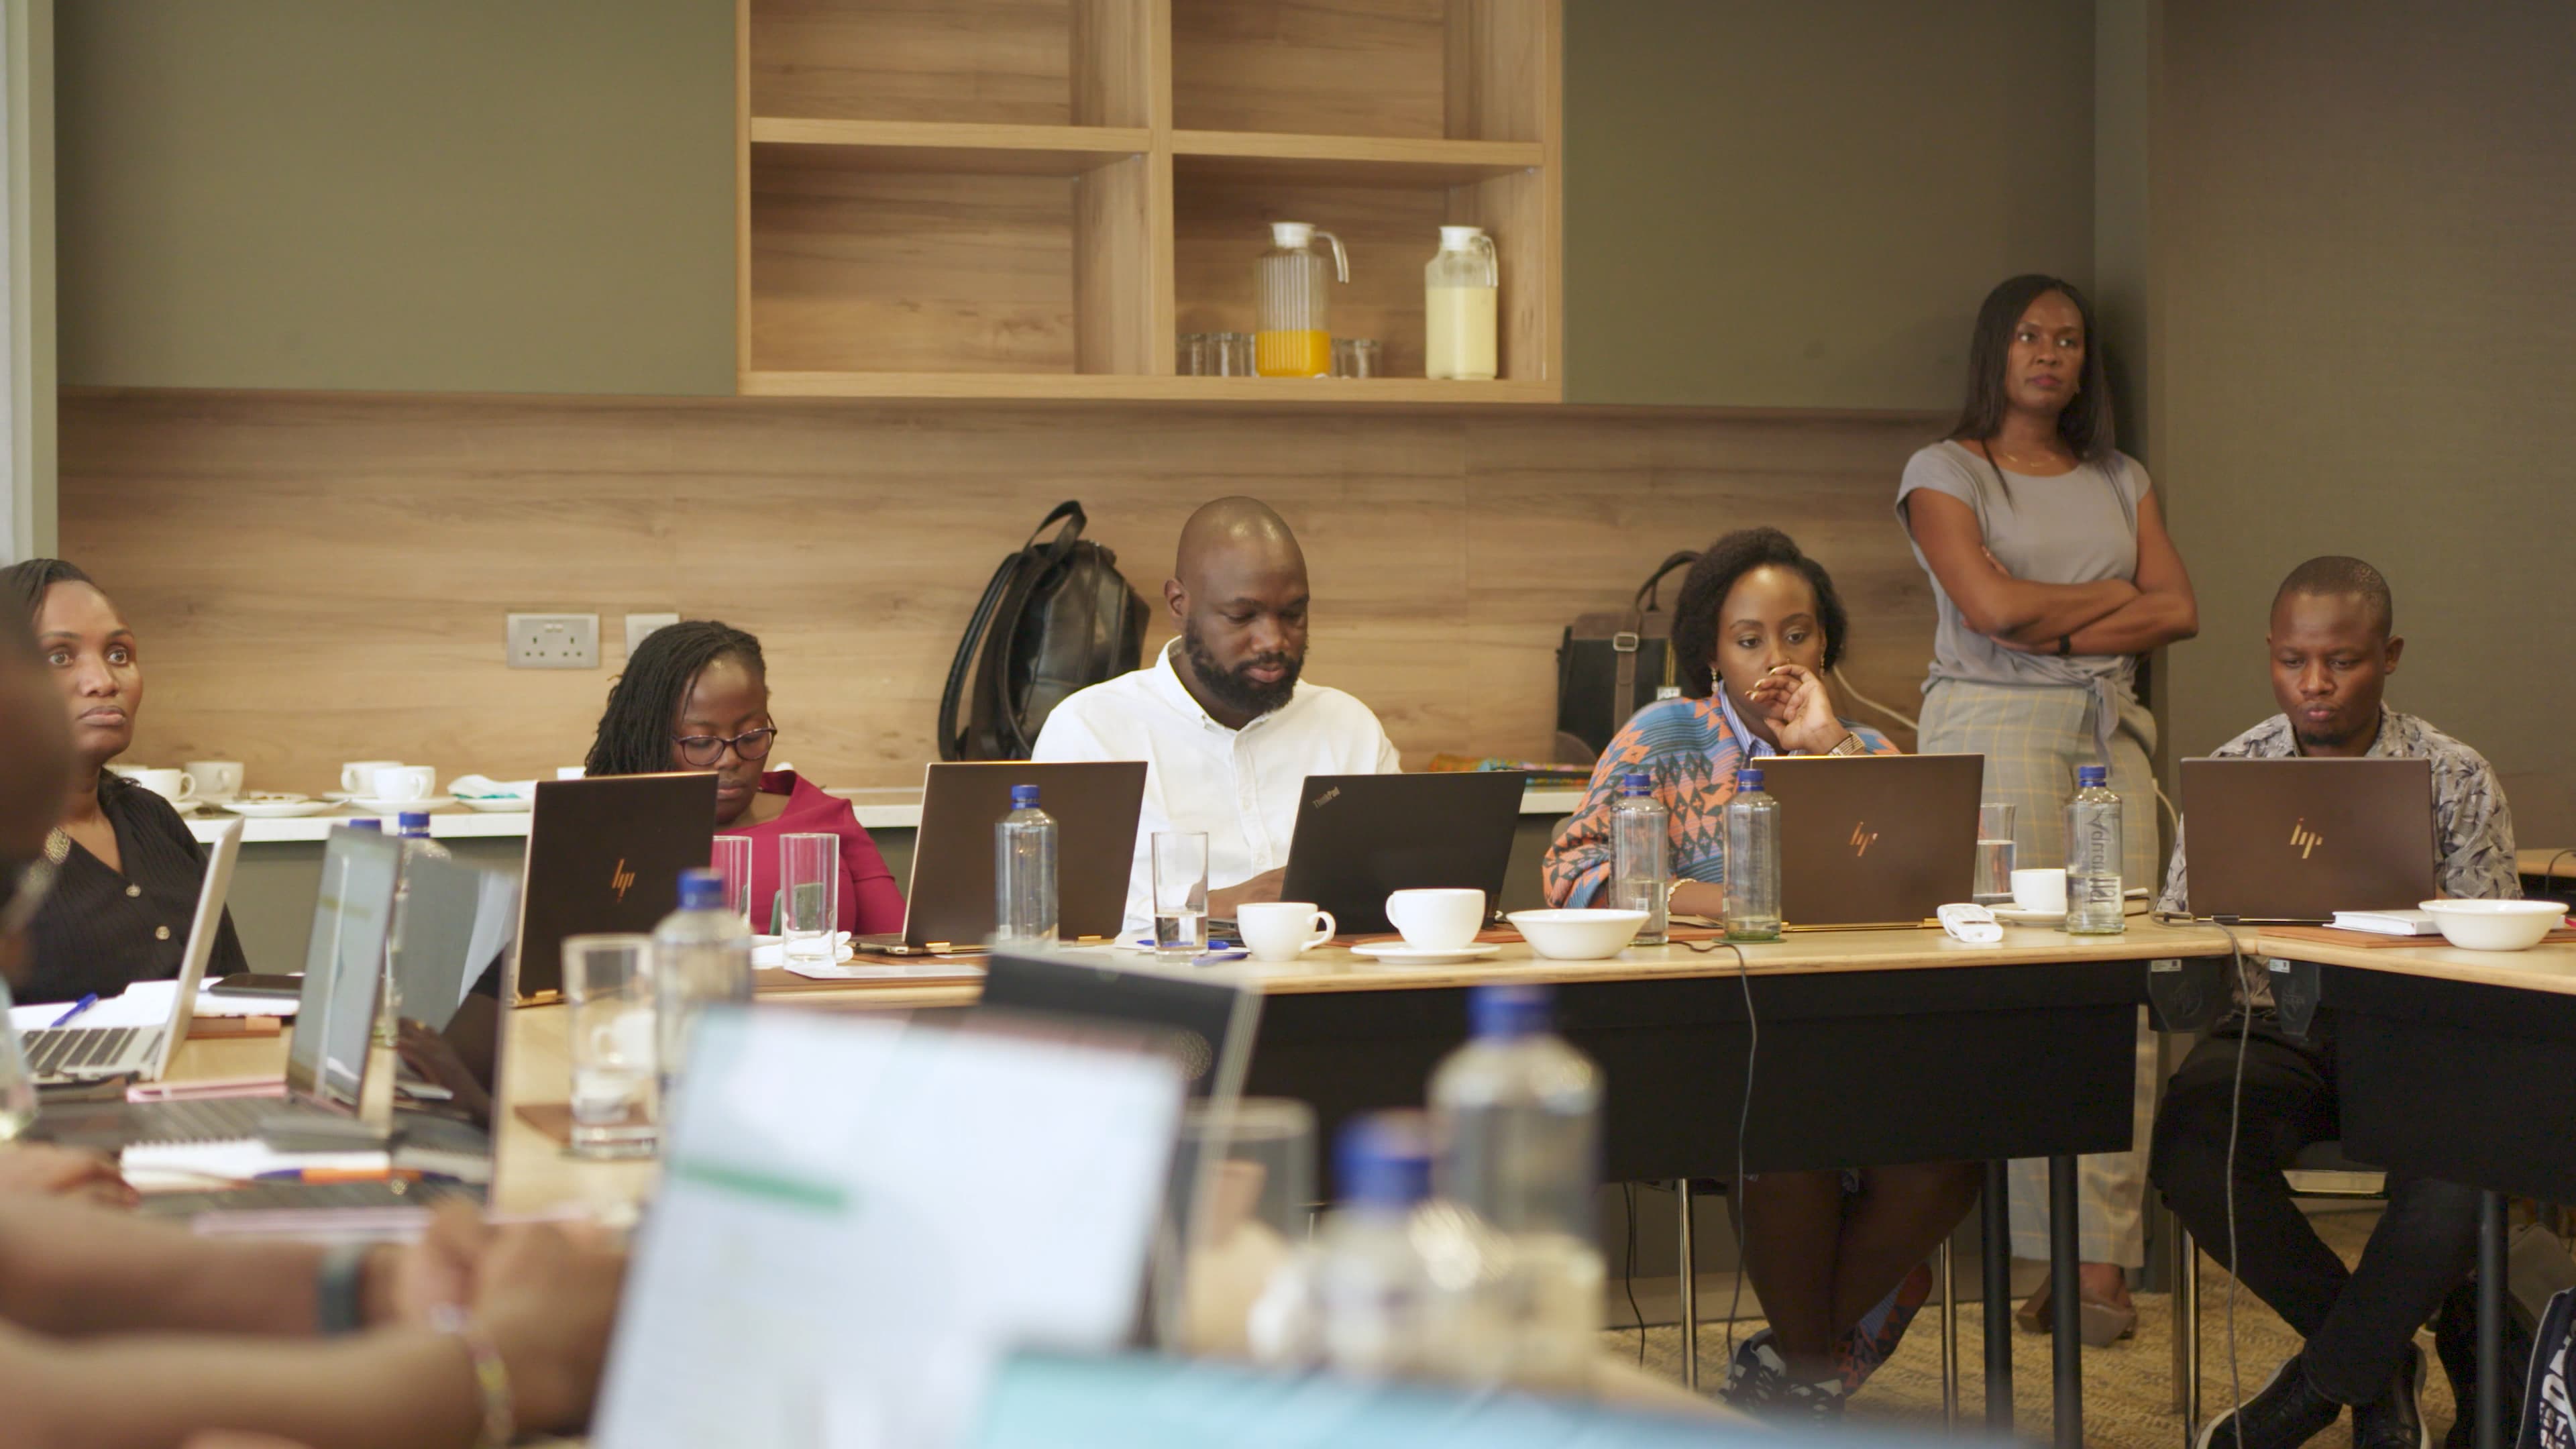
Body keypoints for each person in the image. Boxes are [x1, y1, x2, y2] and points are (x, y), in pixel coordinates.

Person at [0, 589, 627, 1446]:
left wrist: (376, 1284)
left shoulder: (147, 819)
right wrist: (508, 1362)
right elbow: (54, 1411)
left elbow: (24, 1249)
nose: (17, 956)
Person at [1542, 527, 1979, 1417]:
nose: (1775, 658)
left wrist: (1825, 745)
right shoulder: (1662, 736)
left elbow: (1922, 875)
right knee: (1784, 1152)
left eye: (1798, 635)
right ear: (1711, 650)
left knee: (1948, 1163)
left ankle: (1788, 1370)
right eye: (1750, 640)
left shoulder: (1854, 742)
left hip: (1855, 1035)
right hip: (1716, 1041)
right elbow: (1571, 870)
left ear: (1827, 646)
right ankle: (1815, 1377)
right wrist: (1727, 903)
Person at [2153, 557, 2516, 1449]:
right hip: (2273, 1025)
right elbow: (2180, 928)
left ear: (2389, 655)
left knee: (2462, 1170)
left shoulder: (2455, 773)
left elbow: (2496, 950)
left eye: (2342, 662)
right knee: (2193, 1149)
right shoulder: (2236, 771)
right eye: (2293, 661)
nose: (2314, 686)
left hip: (2416, 1034)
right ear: (2271, 656)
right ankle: (2374, 1357)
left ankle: (2321, 1386)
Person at [1896, 274, 2199, 1337]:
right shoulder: (1945, 470)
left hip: (2110, 729)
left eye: (2069, 340)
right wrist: (2109, 606)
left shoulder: (2122, 476)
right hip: (1991, 726)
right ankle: (2037, 1257)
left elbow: (2181, 608)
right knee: (2023, 987)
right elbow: (1986, 607)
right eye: (2030, 335)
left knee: (2123, 990)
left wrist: (2055, 626)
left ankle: (2100, 1267)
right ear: (1997, 350)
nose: (2051, 354)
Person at [1033, 497, 1401, 936]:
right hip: (1157, 996)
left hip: (1333, 989)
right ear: (1178, 604)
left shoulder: (1348, 727)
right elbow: (1050, 914)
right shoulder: (1091, 730)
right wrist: (1222, 904)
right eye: (1242, 616)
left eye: (1293, 614)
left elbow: (1401, 886)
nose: (1274, 640)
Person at [1, 558, 250, 1004]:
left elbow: (235, 991)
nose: (103, 681)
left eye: (119, 654)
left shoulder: (152, 818)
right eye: (60, 656)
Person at [584, 620, 902, 936]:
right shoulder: (607, 830)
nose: (730, 759)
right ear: (651, 738)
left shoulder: (823, 816)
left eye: (751, 736)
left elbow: (905, 954)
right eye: (700, 742)